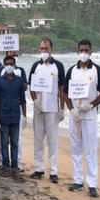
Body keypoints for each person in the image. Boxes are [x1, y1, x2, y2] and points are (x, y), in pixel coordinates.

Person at [64, 39, 100, 198]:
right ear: (77, 51)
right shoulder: (71, 71)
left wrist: (90, 105)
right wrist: (71, 109)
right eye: (81, 50)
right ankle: (77, 181)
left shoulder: (97, 70)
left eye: (86, 50)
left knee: (90, 150)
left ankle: (92, 184)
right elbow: (65, 93)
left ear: (91, 52)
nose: (83, 53)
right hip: (75, 116)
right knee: (75, 149)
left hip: (89, 116)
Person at [28, 38, 65, 184]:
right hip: (38, 109)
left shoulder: (58, 66)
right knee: (38, 140)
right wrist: (35, 101)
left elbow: (62, 89)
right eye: (41, 48)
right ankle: (39, 168)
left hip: (52, 109)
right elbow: (31, 88)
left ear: (51, 49)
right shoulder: (35, 66)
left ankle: (54, 171)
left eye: (46, 48)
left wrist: (62, 108)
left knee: (52, 141)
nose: (43, 51)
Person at [0, 55, 27, 175]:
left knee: (15, 142)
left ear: (14, 64)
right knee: (4, 142)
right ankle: (6, 166)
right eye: (6, 64)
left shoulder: (19, 81)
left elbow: (23, 99)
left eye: (11, 64)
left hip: (16, 117)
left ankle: (15, 166)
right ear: (4, 65)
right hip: (3, 117)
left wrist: (25, 116)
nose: (9, 66)